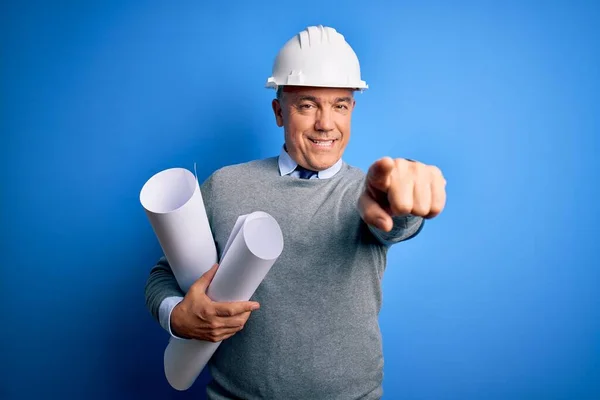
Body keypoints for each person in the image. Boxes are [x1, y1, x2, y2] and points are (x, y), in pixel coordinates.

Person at [145, 25, 447, 399]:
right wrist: (178, 317)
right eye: (307, 104)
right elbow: (163, 275)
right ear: (278, 111)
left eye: (340, 105)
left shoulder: (368, 191)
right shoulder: (225, 185)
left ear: (352, 109)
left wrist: (408, 196)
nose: (326, 123)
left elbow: (396, 220)